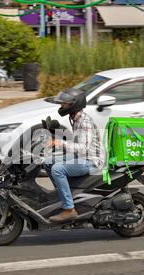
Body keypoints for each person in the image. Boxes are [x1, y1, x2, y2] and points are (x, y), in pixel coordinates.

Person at [43, 88, 103, 222]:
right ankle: (64, 196)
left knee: (57, 169)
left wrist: (59, 143)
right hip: (81, 156)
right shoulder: (75, 118)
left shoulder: (84, 121)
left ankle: (69, 209)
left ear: (74, 104)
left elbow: (83, 148)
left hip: (91, 160)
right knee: (48, 161)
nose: (62, 106)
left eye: (64, 104)